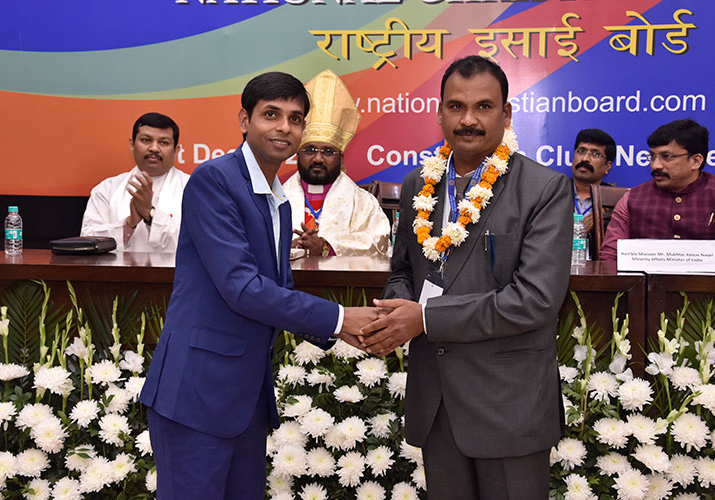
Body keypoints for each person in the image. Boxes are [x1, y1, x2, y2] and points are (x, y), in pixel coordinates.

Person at [139, 72, 375, 500]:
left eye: (295, 118)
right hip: (197, 393)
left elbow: (276, 287)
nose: (285, 127)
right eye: (271, 115)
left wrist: (346, 329)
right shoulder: (215, 180)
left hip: (244, 398)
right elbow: (242, 289)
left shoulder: (277, 199)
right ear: (244, 121)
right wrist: (341, 320)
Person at [359, 56, 573, 499]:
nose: (468, 120)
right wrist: (395, 308)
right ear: (440, 113)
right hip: (437, 401)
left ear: (506, 114)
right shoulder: (418, 183)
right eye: (456, 106)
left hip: (507, 404)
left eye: (483, 107)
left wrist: (424, 318)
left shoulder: (543, 188)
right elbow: (404, 269)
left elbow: (534, 300)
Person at [600, 119, 715, 261]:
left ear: (696, 161)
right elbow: (609, 257)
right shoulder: (631, 199)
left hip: (714, 277)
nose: (655, 165)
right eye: (652, 156)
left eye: (666, 157)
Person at [283, 69, 390, 257]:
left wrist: (326, 247)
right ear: (297, 154)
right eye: (310, 149)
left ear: (341, 158)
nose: (318, 158)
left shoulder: (363, 202)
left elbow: (379, 244)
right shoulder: (276, 198)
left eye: (328, 151)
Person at [80, 112, 189, 253]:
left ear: (176, 150)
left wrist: (150, 214)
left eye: (164, 142)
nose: (154, 148)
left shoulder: (192, 188)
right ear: (132, 145)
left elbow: (199, 242)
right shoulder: (107, 189)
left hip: (173, 268)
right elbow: (87, 242)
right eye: (146, 140)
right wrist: (128, 224)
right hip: (119, 268)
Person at [570, 128, 616, 259]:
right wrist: (578, 230)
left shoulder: (616, 202)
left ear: (607, 166)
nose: (585, 158)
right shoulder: (553, 193)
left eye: (596, 154)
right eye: (581, 151)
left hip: (600, 268)